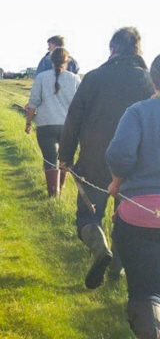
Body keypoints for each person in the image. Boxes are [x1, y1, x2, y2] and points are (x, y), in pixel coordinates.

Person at [58, 27, 154, 289]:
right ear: (138, 50)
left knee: (87, 217)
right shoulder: (148, 81)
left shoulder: (93, 78)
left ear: (112, 49)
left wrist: (65, 156)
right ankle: (116, 270)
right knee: (126, 219)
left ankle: (100, 248)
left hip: (94, 161)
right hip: (135, 167)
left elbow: (73, 119)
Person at [105, 54, 160, 339]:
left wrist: (115, 181)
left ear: (152, 80)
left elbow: (120, 154)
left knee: (144, 291)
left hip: (139, 215)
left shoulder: (138, 112)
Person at [25, 47, 79, 197]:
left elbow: (33, 102)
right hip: (67, 127)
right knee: (65, 160)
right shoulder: (74, 79)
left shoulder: (41, 77)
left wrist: (28, 123)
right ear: (67, 61)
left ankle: (52, 195)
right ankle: (59, 191)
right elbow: (79, 104)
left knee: (49, 160)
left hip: (45, 124)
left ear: (51, 61)